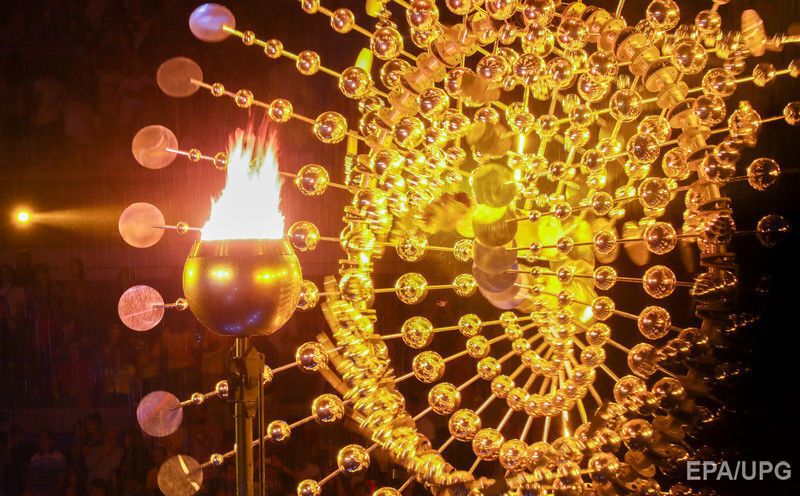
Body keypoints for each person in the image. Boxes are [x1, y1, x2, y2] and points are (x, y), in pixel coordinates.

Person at [24, 431, 65, 496]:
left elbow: (61, 478)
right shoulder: (34, 459)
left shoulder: (58, 458)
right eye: (40, 439)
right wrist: (27, 491)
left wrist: (55, 493)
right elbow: (30, 478)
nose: (42, 441)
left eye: (45, 438)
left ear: (51, 441)